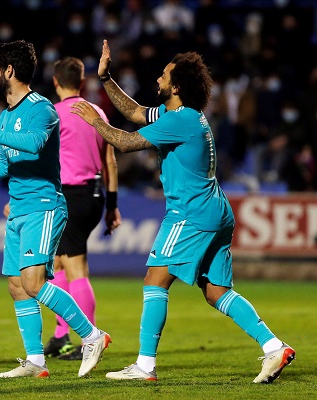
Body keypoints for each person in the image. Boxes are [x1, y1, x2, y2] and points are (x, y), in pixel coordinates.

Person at [70, 39, 295, 383]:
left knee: (155, 279)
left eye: (163, 76)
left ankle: (145, 365)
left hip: (190, 212)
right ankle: (274, 346)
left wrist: (93, 121)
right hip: (214, 210)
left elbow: (126, 141)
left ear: (176, 86)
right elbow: (134, 113)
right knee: (216, 291)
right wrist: (106, 79)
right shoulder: (182, 114)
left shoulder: (180, 121)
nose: (157, 80)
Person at [0, 40, 111, 379]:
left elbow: (34, 143)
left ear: (9, 71)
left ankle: (92, 336)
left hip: (44, 207)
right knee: (16, 284)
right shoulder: (7, 115)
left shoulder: (41, 108)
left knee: (33, 281)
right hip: (19, 210)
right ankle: (35, 361)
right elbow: (5, 165)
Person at [42, 56, 122, 361]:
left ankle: (91, 339)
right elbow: (110, 161)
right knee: (59, 263)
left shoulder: (52, 113)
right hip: (95, 195)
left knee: (75, 267)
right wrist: (112, 206)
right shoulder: (97, 111)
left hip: (70, 196)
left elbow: (41, 159)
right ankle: (61, 337)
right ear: (82, 81)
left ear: (55, 82)